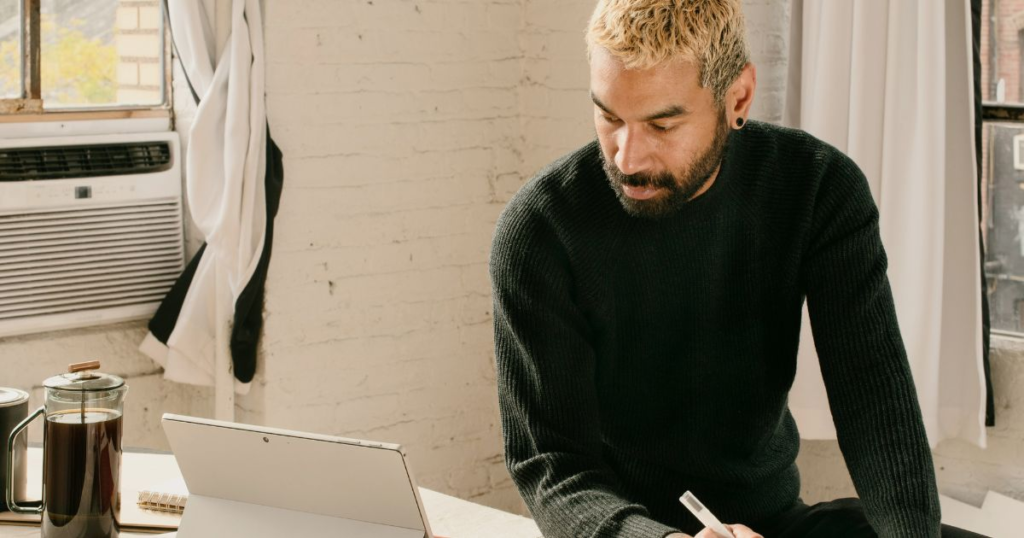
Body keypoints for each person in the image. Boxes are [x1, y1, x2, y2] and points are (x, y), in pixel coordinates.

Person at [488, 1, 987, 537]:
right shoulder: (540, 231)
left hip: (779, 522)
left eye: (662, 124)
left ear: (738, 98)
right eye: (610, 117)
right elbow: (552, 466)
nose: (627, 158)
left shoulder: (817, 189)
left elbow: (873, 399)